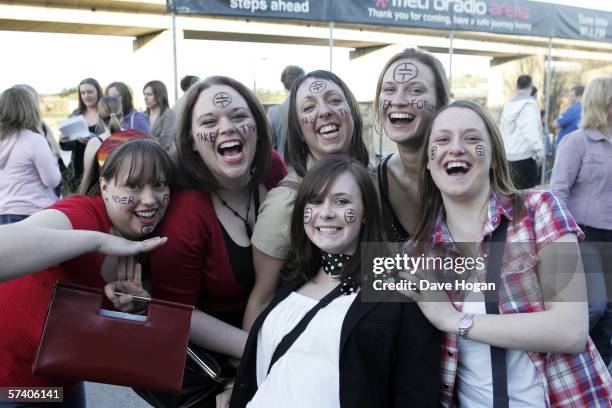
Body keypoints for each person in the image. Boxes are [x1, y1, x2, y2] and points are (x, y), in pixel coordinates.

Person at [404, 99, 611, 407]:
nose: (456, 148)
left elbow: (571, 330)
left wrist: (455, 320)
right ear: (428, 161)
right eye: (442, 140)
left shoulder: (540, 209)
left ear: (495, 159)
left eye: (473, 139)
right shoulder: (418, 253)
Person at [225, 155, 440, 408]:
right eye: (315, 201)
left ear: (366, 213)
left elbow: (416, 393)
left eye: (341, 201)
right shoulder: (294, 277)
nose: (325, 213)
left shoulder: (399, 288)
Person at [0, 137, 172, 406]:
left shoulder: (152, 240)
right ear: (104, 187)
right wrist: (96, 240)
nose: (150, 199)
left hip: (62, 382)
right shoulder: (82, 214)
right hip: (10, 384)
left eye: (160, 184)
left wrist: (136, 309)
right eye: (134, 186)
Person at [143, 76, 286, 372]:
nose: (227, 128)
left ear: (258, 128)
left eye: (239, 116)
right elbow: (176, 313)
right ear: (192, 142)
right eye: (209, 122)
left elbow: (393, 281)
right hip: (220, 365)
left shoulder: (272, 170)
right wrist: (253, 349)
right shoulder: (185, 214)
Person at [245, 70, 369, 330]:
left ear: (353, 112)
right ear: (299, 130)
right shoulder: (286, 203)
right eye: (309, 107)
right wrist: (248, 366)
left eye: (334, 100)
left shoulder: (378, 182)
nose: (324, 111)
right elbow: (262, 297)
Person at [550, 76, 612, 366]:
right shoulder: (577, 141)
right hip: (584, 235)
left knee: (609, 312)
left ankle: (599, 371)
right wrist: (563, 238)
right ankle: (563, 356)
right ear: (605, 104)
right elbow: (558, 191)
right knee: (595, 307)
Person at [374, 48, 450, 242]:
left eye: (415, 90)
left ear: (441, 104)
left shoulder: (468, 174)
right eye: (389, 90)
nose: (398, 101)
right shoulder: (376, 181)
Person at [0, 86, 60, 224]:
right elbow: (51, 181)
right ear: (30, 108)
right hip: (33, 212)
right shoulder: (34, 140)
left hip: (3, 211)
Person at [81, 96, 151, 193]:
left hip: (106, 198)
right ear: (121, 115)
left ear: (99, 117)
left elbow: (88, 180)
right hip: (134, 195)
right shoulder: (137, 138)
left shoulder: (95, 143)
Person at [499, 74, 545, 189]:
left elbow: (503, 129)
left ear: (517, 86)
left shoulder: (508, 104)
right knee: (527, 197)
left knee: (511, 195)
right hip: (525, 157)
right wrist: (540, 151)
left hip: (508, 156)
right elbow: (531, 131)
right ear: (530, 86)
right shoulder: (529, 105)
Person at [60, 77, 103, 192]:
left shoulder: (105, 114)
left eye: (90, 92)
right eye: (83, 93)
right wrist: (64, 140)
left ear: (98, 92)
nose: (86, 96)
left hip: (100, 166)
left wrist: (93, 140)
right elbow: (68, 147)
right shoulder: (75, 115)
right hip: (78, 169)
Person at [267, 65, 304, 158]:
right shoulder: (312, 109)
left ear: (283, 84)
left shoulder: (273, 112)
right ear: (303, 82)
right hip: (310, 166)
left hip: (284, 167)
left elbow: (268, 144)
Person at [143, 80, 177, 151]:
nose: (145, 98)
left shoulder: (169, 114)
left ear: (159, 95)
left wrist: (142, 139)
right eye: (144, 94)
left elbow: (165, 142)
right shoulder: (143, 115)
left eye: (149, 94)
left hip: (163, 157)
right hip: (145, 157)